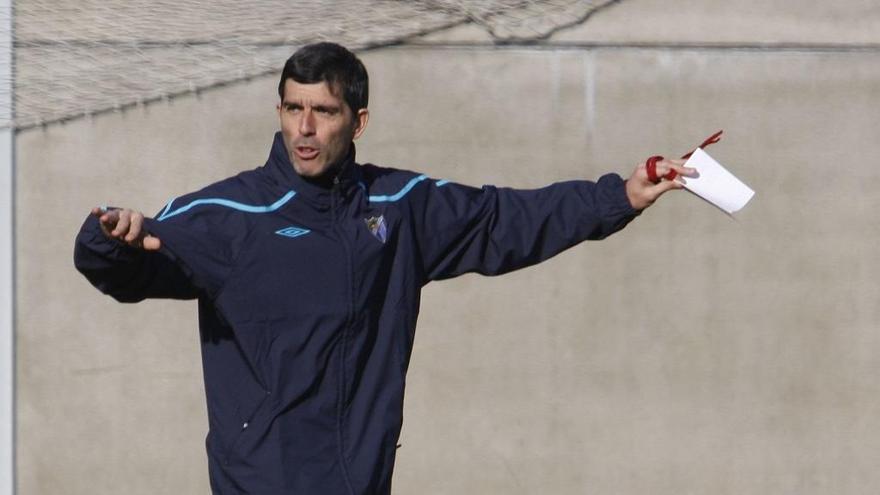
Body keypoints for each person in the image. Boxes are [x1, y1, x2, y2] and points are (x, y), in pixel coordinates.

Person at [74, 42, 694, 494]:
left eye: (324, 112)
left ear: (359, 122)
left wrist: (622, 196)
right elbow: (134, 267)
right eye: (293, 110)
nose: (305, 129)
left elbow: (504, 220)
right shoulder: (231, 214)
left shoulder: (400, 206)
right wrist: (112, 241)